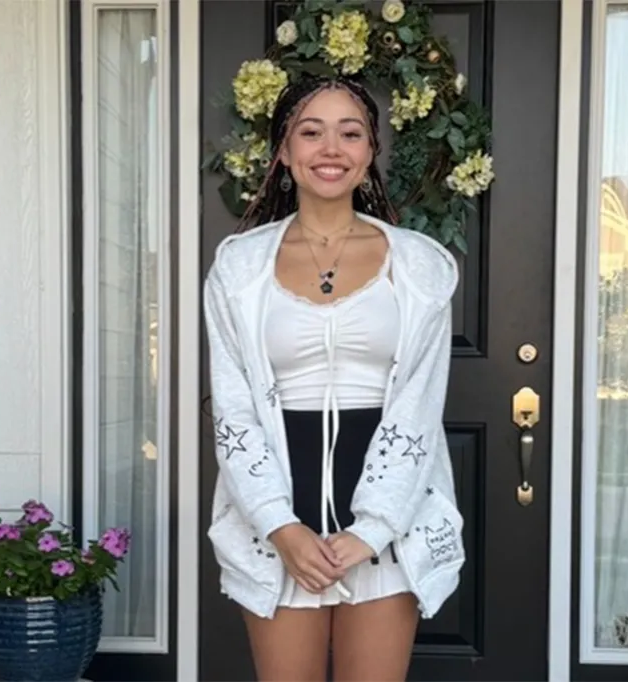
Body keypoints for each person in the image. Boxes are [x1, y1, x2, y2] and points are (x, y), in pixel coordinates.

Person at [203, 74, 465, 682]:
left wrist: (372, 529)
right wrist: (281, 525)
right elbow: (234, 408)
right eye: (310, 132)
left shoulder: (419, 265)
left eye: (350, 133)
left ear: (370, 152)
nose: (330, 149)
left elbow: (419, 407)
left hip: (388, 527)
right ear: (285, 150)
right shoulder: (239, 269)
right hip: (277, 523)